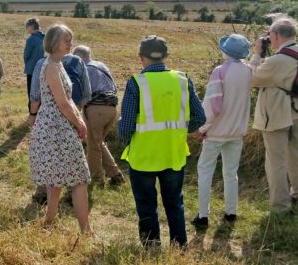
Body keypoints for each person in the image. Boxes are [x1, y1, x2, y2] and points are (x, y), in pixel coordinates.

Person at [118, 35, 206, 248]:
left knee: (147, 206)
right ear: (166, 56)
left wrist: (125, 140)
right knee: (175, 203)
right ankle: (179, 246)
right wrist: (180, 132)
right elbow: (200, 117)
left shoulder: (136, 83)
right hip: (173, 154)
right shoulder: (183, 79)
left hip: (143, 156)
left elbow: (127, 124)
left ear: (141, 58)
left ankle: (151, 247)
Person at [249, 16, 298, 212]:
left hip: (277, 114)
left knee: (276, 161)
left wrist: (257, 54)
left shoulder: (277, 60)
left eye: (270, 35)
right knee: (297, 153)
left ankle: (280, 205)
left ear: (275, 35)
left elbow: (251, 79)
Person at [29, 24, 92, 234]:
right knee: (80, 179)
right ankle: (86, 230)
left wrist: (79, 120)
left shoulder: (57, 64)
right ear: (55, 42)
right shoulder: (52, 67)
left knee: (55, 178)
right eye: (67, 40)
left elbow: (68, 102)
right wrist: (79, 122)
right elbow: (63, 102)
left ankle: (49, 221)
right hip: (56, 127)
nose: (70, 43)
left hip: (57, 125)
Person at [191, 34, 252, 229]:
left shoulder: (220, 71)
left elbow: (213, 106)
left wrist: (202, 128)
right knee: (231, 173)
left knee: (205, 171)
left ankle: (203, 215)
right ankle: (231, 212)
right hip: (237, 131)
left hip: (216, 132)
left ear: (225, 51)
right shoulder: (248, 70)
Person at [72, 45, 125, 187]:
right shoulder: (101, 65)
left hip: (96, 110)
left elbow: (83, 93)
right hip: (112, 109)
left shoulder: (85, 69)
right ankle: (116, 175)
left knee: (93, 146)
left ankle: (96, 180)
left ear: (79, 57)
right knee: (98, 142)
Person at [23, 17, 44, 107]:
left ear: (31, 27)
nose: (26, 28)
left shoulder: (31, 39)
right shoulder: (45, 37)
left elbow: (26, 55)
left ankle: (32, 113)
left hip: (32, 69)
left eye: (27, 26)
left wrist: (26, 63)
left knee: (32, 93)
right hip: (44, 69)